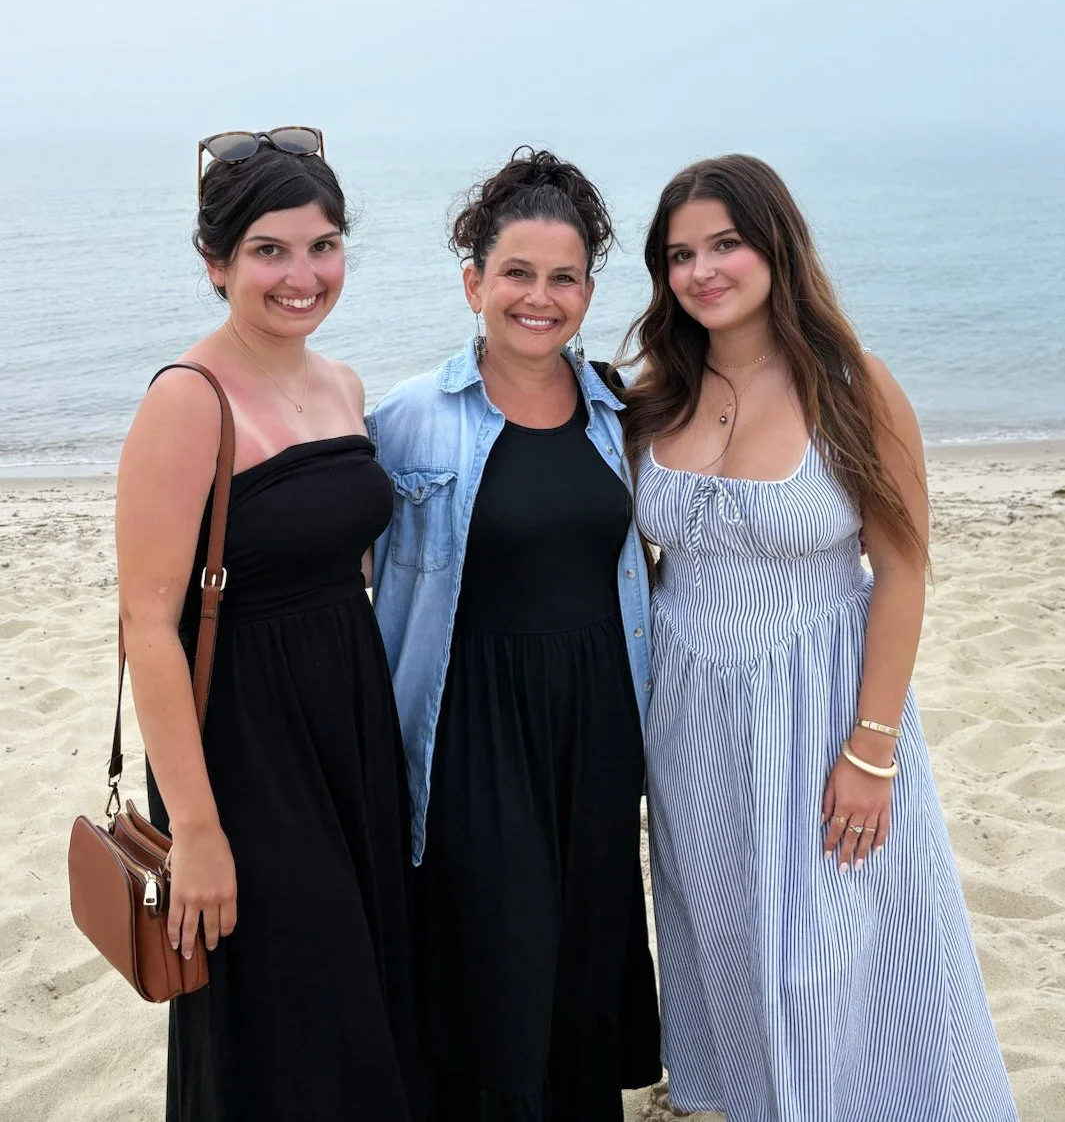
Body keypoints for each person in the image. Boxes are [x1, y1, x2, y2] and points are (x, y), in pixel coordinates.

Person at [620, 155, 1017, 1121]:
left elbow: (904, 570)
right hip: (690, 717)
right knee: (727, 942)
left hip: (823, 701)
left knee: (837, 951)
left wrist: (871, 750)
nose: (702, 270)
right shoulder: (653, 393)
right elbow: (633, 564)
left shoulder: (852, 384)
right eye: (680, 254)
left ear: (775, 246)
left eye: (724, 244)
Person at [116, 129, 421, 1121]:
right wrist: (196, 829)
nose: (304, 274)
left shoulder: (343, 385)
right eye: (270, 250)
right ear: (216, 264)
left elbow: (351, 553)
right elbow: (148, 625)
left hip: (349, 716)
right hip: (242, 743)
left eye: (324, 244)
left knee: (359, 984)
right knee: (291, 1002)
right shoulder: (187, 399)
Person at [368, 147, 661, 1121]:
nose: (540, 297)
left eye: (564, 277)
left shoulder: (620, 411)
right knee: (499, 967)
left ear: (588, 289)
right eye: (517, 273)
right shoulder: (409, 420)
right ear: (473, 282)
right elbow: (331, 567)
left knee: (580, 963)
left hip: (599, 732)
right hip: (472, 739)